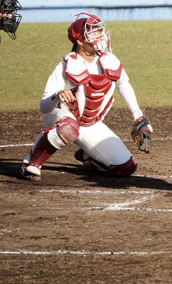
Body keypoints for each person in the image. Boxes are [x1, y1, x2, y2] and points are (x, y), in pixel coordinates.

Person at [20, 12, 153, 181]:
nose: (101, 37)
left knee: (126, 167)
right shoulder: (67, 65)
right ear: (80, 41)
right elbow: (44, 107)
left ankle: (88, 155)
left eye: (100, 32)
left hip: (90, 123)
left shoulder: (109, 60)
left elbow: (123, 84)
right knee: (69, 128)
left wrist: (137, 116)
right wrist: (57, 95)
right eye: (94, 33)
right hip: (62, 117)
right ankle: (31, 163)